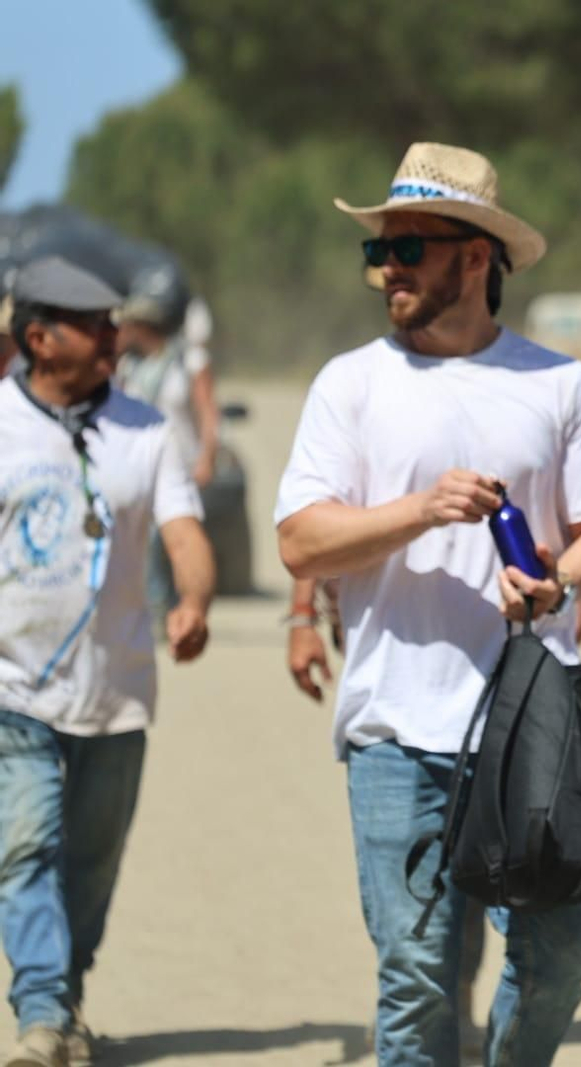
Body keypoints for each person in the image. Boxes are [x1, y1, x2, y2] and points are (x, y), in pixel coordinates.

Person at [274, 142, 581, 1067]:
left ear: (476, 257)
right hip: (396, 728)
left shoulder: (558, 383)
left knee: (558, 954)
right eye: (378, 253)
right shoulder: (350, 384)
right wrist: (419, 509)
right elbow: (300, 540)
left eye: (408, 250)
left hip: (535, 722)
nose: (385, 271)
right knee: (417, 977)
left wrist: (562, 578)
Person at [1, 256, 214, 1067]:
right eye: (93, 327)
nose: (112, 339)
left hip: (118, 694)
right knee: (24, 849)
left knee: (89, 868)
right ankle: (42, 1015)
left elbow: (184, 530)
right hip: (12, 690)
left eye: (112, 324)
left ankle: (65, 990)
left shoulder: (145, 429)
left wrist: (193, 600)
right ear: (38, 338)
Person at [116, 276, 221, 618]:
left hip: (182, 466)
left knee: (171, 537)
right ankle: (151, 605)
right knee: (141, 540)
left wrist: (207, 456)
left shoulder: (189, 361)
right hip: (137, 465)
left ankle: (172, 604)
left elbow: (208, 412)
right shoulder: (127, 366)